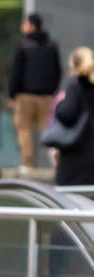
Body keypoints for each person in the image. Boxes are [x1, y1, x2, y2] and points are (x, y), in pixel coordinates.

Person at [8, 12, 62, 170]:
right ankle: (56, 163)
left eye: (24, 24)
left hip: (26, 95)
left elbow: (16, 72)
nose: (22, 27)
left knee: (23, 129)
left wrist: (12, 94)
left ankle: (27, 164)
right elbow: (57, 71)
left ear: (31, 26)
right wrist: (51, 90)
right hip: (47, 96)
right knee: (49, 131)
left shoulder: (23, 45)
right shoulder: (51, 46)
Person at [52, 47, 94, 186]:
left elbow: (67, 113)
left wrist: (59, 106)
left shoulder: (75, 87)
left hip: (77, 159)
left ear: (73, 66)